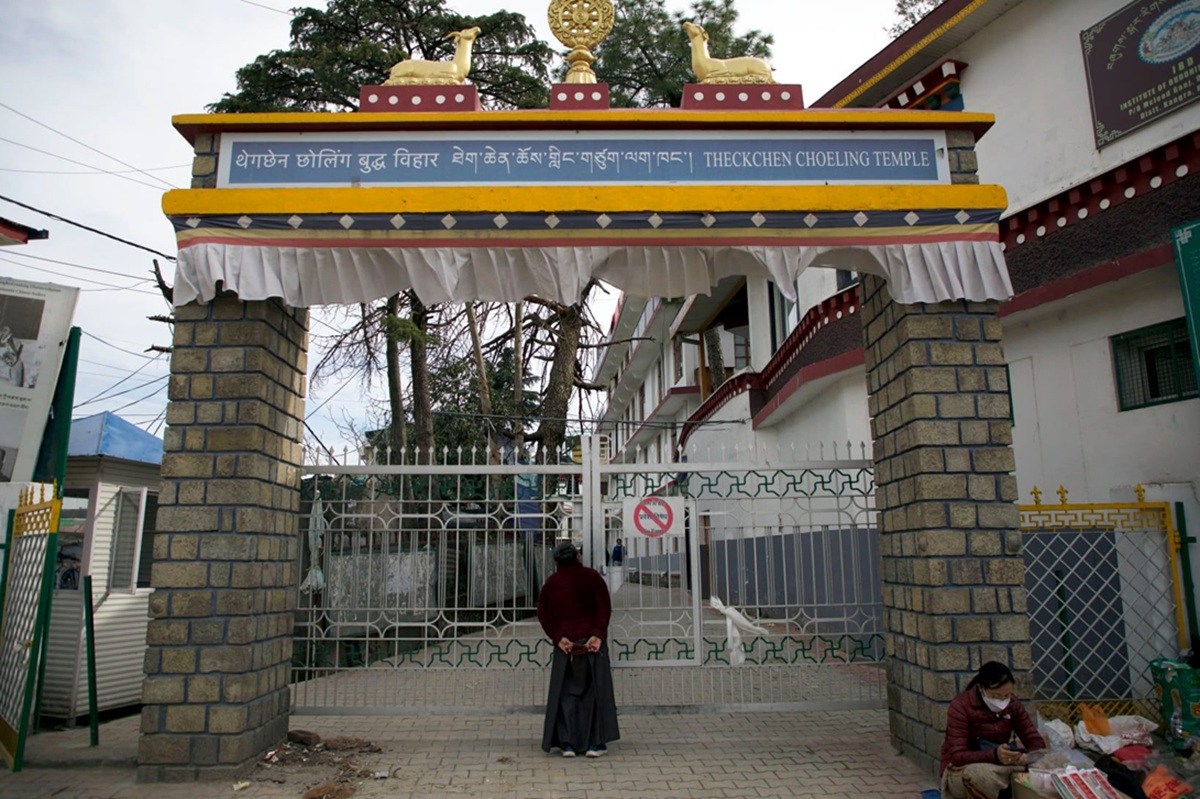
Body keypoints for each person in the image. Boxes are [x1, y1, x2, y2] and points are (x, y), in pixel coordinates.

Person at [537, 540, 620, 758]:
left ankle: (568, 744)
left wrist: (558, 638)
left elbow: (544, 614)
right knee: (593, 691)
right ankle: (595, 744)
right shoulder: (592, 577)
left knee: (567, 694)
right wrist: (598, 634)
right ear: (577, 557)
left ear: (556, 561)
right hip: (592, 643)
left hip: (566, 645)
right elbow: (604, 606)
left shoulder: (551, 583)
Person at [940, 661, 1046, 799]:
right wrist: (995, 755)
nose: (1002, 701)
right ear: (981, 688)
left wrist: (1029, 756)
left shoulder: (1013, 704)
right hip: (964, 769)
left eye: (1006, 696)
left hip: (1003, 765)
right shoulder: (960, 707)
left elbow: (1032, 737)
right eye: (996, 696)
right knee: (982, 776)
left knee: (1049, 766)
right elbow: (958, 756)